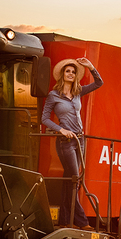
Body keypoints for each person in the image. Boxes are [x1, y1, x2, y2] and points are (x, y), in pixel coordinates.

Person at [40, 56, 103, 229]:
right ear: (62, 75)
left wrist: (90, 66)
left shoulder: (78, 92)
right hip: (65, 141)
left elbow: (99, 83)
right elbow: (44, 118)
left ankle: (65, 220)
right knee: (75, 178)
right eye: (67, 71)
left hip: (80, 139)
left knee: (70, 180)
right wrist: (61, 129)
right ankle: (82, 222)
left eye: (73, 72)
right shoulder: (54, 96)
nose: (71, 74)